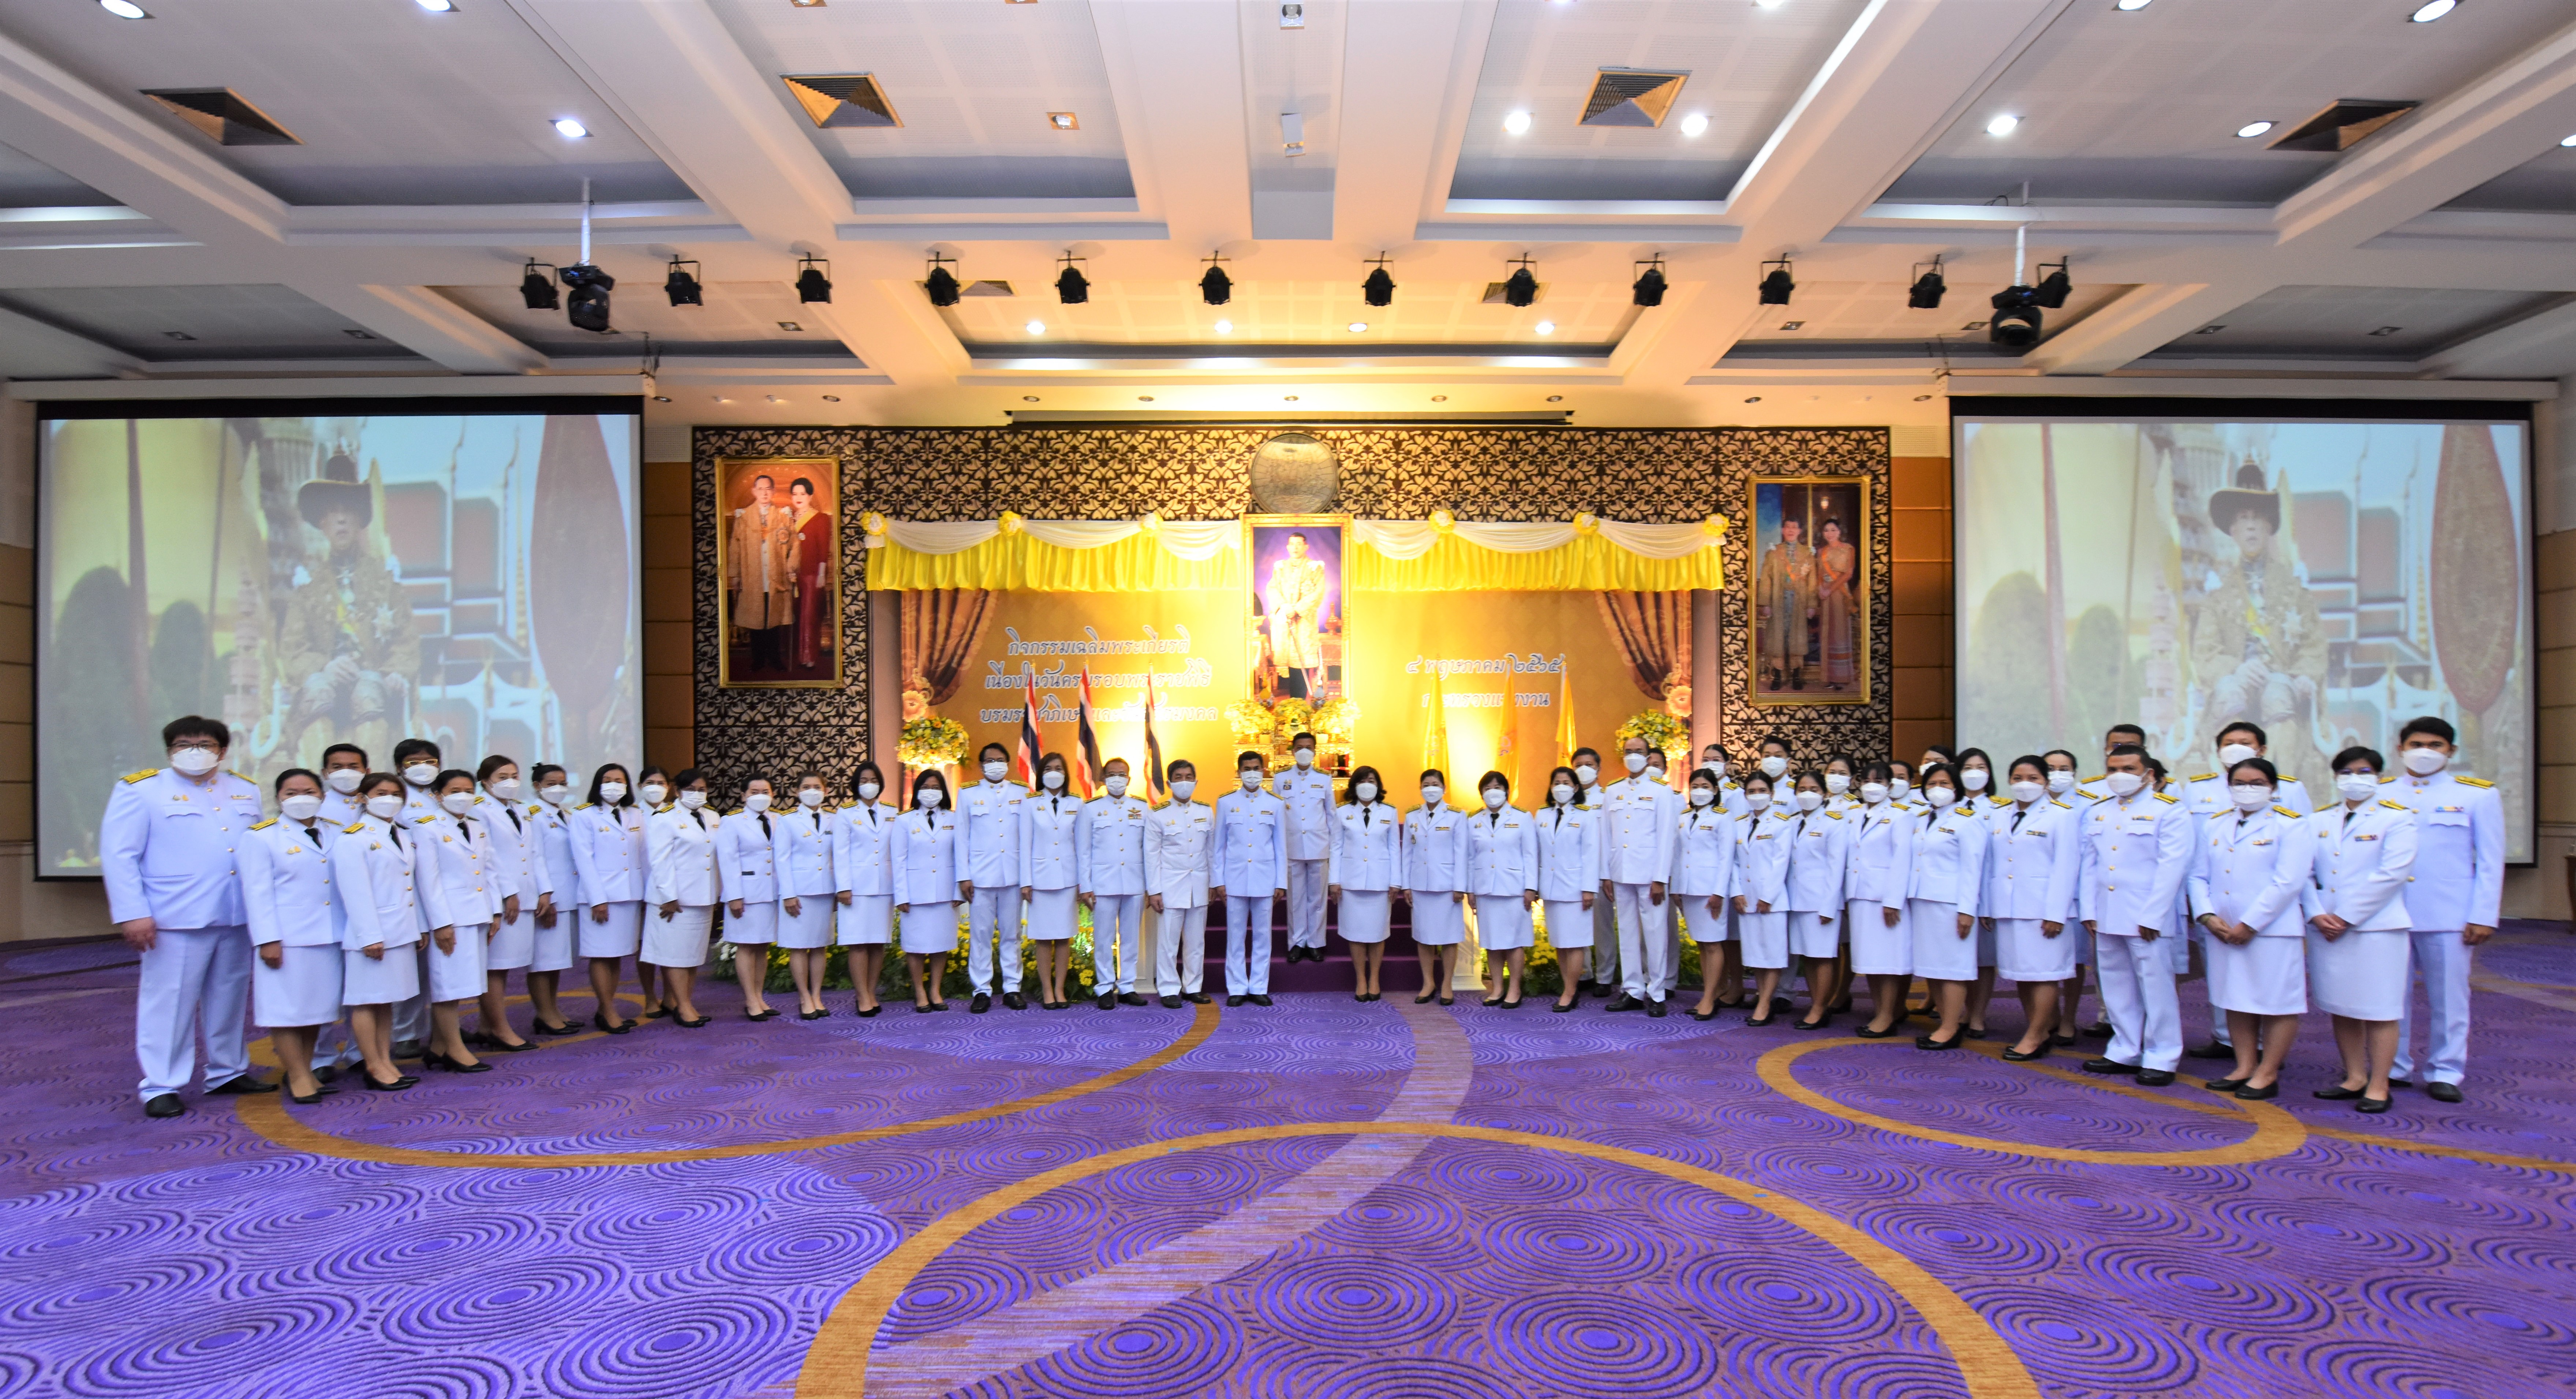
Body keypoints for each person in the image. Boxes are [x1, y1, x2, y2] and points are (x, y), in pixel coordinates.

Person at [104, 716, 273, 1117]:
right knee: (169, 1002)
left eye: (205, 744)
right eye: (184, 745)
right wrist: (133, 913)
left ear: (222, 750)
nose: (194, 752)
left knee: (230, 997)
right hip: (174, 916)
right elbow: (120, 855)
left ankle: (227, 1071)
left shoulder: (245, 789)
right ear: (169, 750)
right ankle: (161, 1084)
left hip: (235, 912)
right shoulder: (141, 790)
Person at [2191, 462, 2330, 795]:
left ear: (2269, 528)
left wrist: (2303, 676)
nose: (2251, 526)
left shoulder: (2294, 590)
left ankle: (2278, 788)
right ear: (2233, 530)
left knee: (2277, 694)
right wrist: (2236, 669)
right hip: (2237, 679)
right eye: (2243, 519)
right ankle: (2234, 786)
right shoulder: (2218, 596)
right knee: (2229, 694)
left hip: (2282, 678)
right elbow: (2205, 654)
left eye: (2257, 518)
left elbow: (2314, 646)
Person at [2385, 716, 2503, 1103]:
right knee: (2389, 996)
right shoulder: (2381, 794)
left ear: (2451, 751)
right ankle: (2393, 1066)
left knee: (2450, 999)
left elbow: (2490, 861)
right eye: (2416, 744)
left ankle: (2445, 1070)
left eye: (2435, 745)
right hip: (2388, 913)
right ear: (2400, 749)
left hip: (2448, 915)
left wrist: (2482, 915)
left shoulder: (2477, 795)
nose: (2424, 752)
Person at [2176, 723, 2310, 1062]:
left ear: (2273, 787)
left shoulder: (2290, 821)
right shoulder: (2216, 821)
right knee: (2231, 996)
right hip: (2221, 925)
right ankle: (2241, 1062)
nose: (2247, 789)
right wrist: (2206, 915)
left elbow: (2290, 879)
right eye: (2239, 784)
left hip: (2270, 926)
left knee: (2276, 1000)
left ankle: (2267, 1068)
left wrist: (2250, 923)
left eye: (2257, 784)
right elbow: (2197, 873)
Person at [278, 452, 421, 759]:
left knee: (368, 690)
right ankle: (323, 784)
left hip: (373, 681)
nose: (341, 519)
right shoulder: (308, 589)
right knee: (317, 692)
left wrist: (396, 672)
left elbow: (407, 641)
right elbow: (293, 652)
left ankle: (366, 785)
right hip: (325, 683)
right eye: (333, 511)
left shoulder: (385, 581)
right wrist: (325, 666)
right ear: (323, 523)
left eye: (348, 511)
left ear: (359, 521)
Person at [2307, 747, 2418, 1114]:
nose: (2355, 779)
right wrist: (2316, 913)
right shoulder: (2318, 820)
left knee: (2380, 1008)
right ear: (2335, 777)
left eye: (2364, 771)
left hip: (2376, 928)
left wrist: (2346, 917)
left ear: (2379, 776)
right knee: (2342, 1005)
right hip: (2326, 927)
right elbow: (2303, 872)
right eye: (2346, 772)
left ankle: (2379, 1084)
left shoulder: (2396, 819)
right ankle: (2354, 1076)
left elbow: (2391, 874)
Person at [2075, 743, 2192, 1084]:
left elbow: (2172, 868)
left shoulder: (2169, 811)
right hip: (2107, 913)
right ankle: (2124, 1049)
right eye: (2113, 770)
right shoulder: (2099, 811)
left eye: (2128, 769)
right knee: (2115, 984)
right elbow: (2090, 864)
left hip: (2146, 917)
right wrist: (2089, 910)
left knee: (2156, 989)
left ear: (2148, 774)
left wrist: (2152, 916)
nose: (2119, 776)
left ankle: (2162, 1056)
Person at [332, 771, 448, 1092]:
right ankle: (372, 1065)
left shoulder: (402, 834)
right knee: (367, 1001)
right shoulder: (353, 838)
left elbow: (411, 885)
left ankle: (385, 1061)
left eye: (396, 795)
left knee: (387, 1002)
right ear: (362, 798)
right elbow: (355, 893)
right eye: (381, 794)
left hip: (401, 930)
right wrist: (370, 936)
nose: (390, 800)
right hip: (372, 935)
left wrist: (420, 926)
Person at [240, 768, 342, 1104]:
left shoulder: (337, 832)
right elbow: (257, 893)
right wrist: (267, 939)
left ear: (322, 795)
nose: (301, 799)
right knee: (285, 1011)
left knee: (316, 1010)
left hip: (330, 935)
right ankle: (297, 1076)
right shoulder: (262, 837)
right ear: (278, 798)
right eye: (291, 793)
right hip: (287, 938)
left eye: (309, 792)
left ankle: (306, 1070)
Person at [415, 768, 520, 1072]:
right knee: (448, 985)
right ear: (438, 796)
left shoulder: (475, 825)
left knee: (465, 982)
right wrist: (441, 924)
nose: (463, 797)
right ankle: (454, 1049)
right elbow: (428, 881)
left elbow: (489, 870)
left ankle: (438, 1046)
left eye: (468, 791)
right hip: (450, 917)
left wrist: (495, 911)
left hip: (477, 914)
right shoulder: (428, 828)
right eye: (454, 791)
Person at [1986, 756, 2081, 1062]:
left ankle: (2035, 1035)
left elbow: (2066, 867)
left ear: (2045, 782)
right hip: (2008, 908)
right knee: (2022, 974)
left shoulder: (2061, 815)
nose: (2024, 784)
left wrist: (2055, 914)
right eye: (2017, 778)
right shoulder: (1999, 815)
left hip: (2043, 911)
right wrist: (1988, 907)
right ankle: (2038, 1028)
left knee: (2044, 974)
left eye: (2033, 778)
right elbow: (1992, 864)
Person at [1906, 764, 1988, 1050]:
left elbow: (1972, 869)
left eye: (1944, 783)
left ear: (1956, 788)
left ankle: (1951, 1028)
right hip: (1923, 902)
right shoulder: (1921, 818)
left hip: (1950, 905)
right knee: (1931, 966)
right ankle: (1944, 1023)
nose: (1937, 789)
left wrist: (1967, 910)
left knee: (1952, 967)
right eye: (1931, 784)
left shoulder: (1967, 820)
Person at [470, 756, 547, 1054]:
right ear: (485, 781)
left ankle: (486, 1026)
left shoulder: (522, 809)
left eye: (514, 775)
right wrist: (508, 893)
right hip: (501, 897)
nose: (510, 782)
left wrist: (545, 891)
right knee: (496, 967)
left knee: (507, 965)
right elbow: (488, 856)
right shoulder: (478, 808)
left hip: (527, 895)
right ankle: (500, 1029)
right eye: (502, 777)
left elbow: (535, 852)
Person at [1599, 735, 1677, 1017]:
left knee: (1655, 934)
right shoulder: (1612, 790)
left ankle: (1657, 992)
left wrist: (1661, 878)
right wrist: (1606, 875)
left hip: (1650, 876)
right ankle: (1632, 990)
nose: (1633, 756)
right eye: (1628, 751)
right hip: (1621, 872)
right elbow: (1605, 835)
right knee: (1627, 933)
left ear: (1647, 756)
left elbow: (1667, 837)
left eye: (1638, 751)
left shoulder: (1661, 790)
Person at [568, 763, 646, 1034]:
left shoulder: (635, 814)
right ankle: (608, 1009)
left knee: (617, 955)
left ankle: (606, 1009)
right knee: (601, 956)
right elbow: (584, 859)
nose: (614, 785)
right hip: (601, 897)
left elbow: (642, 855)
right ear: (598, 785)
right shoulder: (584, 815)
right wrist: (597, 899)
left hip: (629, 895)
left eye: (620, 780)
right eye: (608, 780)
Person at [1212, 750, 1289, 1007]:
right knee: (1235, 937)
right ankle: (1236, 987)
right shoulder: (1226, 802)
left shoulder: (1275, 803)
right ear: (1239, 772)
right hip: (1234, 879)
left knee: (1262, 936)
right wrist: (1218, 881)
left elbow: (1280, 847)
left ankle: (1258, 987)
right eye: (1247, 769)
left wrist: (1281, 882)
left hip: (1265, 879)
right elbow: (1219, 846)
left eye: (1256, 768)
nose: (1252, 773)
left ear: (1264, 770)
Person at [644, 768, 719, 1028]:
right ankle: (684, 1007)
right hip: (674, 900)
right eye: (690, 790)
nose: (697, 794)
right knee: (675, 955)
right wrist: (669, 896)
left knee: (693, 955)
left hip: (703, 896)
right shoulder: (664, 818)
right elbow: (660, 860)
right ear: (677, 791)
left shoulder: (713, 816)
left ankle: (683, 1002)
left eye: (702, 790)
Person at [1845, 762, 1915, 1037]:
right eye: (1867, 781)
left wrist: (1893, 901)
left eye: (1879, 781)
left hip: (1884, 898)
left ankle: (1887, 1015)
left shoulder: (1901, 815)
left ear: (1890, 786)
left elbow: (1902, 860)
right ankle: (1882, 1012)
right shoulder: (1854, 814)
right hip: (1859, 896)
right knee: (1870, 960)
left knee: (1888, 961)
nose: (1872, 786)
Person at [1077, 757, 1153, 1010]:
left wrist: (1150, 886)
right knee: (1103, 938)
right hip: (1103, 884)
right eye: (1112, 775)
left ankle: (1128, 986)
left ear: (1129, 779)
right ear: (1103, 779)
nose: (1117, 779)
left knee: (1130, 938)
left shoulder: (1141, 807)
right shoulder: (1091, 808)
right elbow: (1084, 851)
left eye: (1122, 774)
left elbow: (1148, 850)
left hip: (1134, 882)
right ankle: (1105, 987)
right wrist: (1085, 886)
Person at [957, 742, 1027, 1013]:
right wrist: (964, 876)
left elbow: (1027, 837)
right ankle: (982, 991)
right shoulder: (967, 793)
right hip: (980, 878)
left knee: (1012, 935)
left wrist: (1027, 878)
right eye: (990, 761)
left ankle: (1012, 988)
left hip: (1013, 876)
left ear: (1008, 763)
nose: (995, 765)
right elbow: (961, 838)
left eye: (1000, 760)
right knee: (980, 936)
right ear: (981, 765)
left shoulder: (1022, 792)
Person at [1465, 771, 1540, 1008]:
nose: (1492, 792)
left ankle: (1514, 988)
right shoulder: (1473, 821)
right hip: (1485, 889)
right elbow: (1470, 858)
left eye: (1497, 787)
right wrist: (1470, 890)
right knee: (1492, 942)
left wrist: (1531, 888)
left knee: (1515, 941)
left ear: (1506, 791)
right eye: (1487, 788)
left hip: (1514, 890)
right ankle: (1497, 988)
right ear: (1481, 794)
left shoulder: (1523, 817)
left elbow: (1531, 855)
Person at [1328, 764, 1402, 1003]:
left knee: (1378, 933)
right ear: (1354, 786)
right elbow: (1336, 847)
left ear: (1378, 786)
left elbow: (1395, 849)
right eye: (1362, 781)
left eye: (1371, 781)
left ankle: (1375, 979)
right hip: (1351, 882)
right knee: (1356, 933)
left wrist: (1396, 882)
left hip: (1380, 883)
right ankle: (1361, 979)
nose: (1367, 785)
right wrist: (1334, 881)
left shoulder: (1389, 812)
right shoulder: (1342, 812)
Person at [1145, 760, 1215, 1006]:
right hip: (1170, 886)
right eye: (1178, 777)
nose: (1184, 782)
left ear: (1196, 781)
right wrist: (1154, 891)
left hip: (1199, 885)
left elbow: (1211, 851)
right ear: (1169, 782)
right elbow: (1151, 855)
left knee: (1196, 942)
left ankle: (1193, 986)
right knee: (1168, 942)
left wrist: (1213, 884)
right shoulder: (1157, 813)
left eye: (1188, 777)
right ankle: (1168, 989)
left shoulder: (1206, 811)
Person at [1673, 766, 1738, 1022]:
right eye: (1696, 787)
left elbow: (1726, 858)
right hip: (1689, 889)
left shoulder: (1723, 817)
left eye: (1705, 787)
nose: (1700, 791)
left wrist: (1719, 893)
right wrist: (1676, 889)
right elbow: (1678, 854)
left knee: (1712, 944)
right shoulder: (1684, 816)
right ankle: (1714, 990)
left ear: (1715, 790)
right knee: (1702, 944)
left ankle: (1709, 998)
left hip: (1710, 890)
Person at [891, 769, 960, 1012]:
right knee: (916, 945)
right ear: (917, 790)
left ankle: (935, 991)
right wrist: (901, 895)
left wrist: (958, 891)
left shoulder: (953, 819)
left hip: (945, 892)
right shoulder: (904, 820)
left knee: (941, 943)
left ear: (944, 791)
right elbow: (898, 860)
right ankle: (920, 991)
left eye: (936, 787)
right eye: (926, 787)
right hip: (915, 894)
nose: (931, 792)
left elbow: (960, 856)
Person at [774, 772, 840, 1019]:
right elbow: (782, 859)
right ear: (797, 791)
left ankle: (817, 995)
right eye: (806, 787)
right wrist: (788, 894)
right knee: (799, 947)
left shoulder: (834, 819)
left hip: (825, 891)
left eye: (817, 787)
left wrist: (838, 890)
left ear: (825, 790)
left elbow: (838, 857)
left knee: (821, 945)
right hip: (799, 893)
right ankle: (804, 997)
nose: (812, 791)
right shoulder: (788, 820)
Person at [1020, 753, 1084, 1010]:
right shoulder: (1030, 803)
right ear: (1041, 774)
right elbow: (1025, 844)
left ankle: (1060, 989)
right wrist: (1026, 882)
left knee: (1064, 937)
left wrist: (1083, 883)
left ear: (1066, 773)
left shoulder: (1077, 803)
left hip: (1068, 879)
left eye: (1059, 768)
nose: (1054, 772)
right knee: (1044, 938)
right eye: (1048, 768)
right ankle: (1047, 990)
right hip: (1040, 880)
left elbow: (1082, 847)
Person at [524, 764, 583, 1035]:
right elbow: (534, 858)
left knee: (557, 960)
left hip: (569, 895)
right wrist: (546, 895)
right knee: (543, 961)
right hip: (549, 898)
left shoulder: (568, 814)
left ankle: (553, 1009)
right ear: (537, 786)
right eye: (551, 784)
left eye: (562, 783)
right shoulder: (532, 815)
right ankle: (544, 1013)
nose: (558, 788)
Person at [1532, 765, 1596, 1012]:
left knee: (1575, 942)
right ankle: (1567, 987)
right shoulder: (1542, 814)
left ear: (1576, 788)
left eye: (1567, 783)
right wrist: (1535, 886)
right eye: (1557, 783)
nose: (1561, 787)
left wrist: (1588, 889)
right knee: (1560, 941)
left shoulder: (1585, 815)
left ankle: (1571, 991)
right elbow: (1537, 853)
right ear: (1551, 787)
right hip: (1550, 887)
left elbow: (1591, 854)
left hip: (1576, 889)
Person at [834, 762, 897, 1017]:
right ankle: (862, 996)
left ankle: (871, 992)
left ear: (880, 784)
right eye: (863, 780)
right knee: (858, 944)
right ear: (856, 785)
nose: (869, 785)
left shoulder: (892, 812)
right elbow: (840, 853)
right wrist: (844, 887)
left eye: (873, 780)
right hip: (856, 888)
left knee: (877, 943)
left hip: (884, 886)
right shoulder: (846, 813)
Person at [719, 777, 784, 1021]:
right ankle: (750, 1000)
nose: (760, 796)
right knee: (746, 946)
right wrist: (734, 896)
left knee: (762, 946)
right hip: (745, 894)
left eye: (765, 791)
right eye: (754, 792)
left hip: (771, 892)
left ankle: (759, 997)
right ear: (744, 796)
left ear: (773, 794)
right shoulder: (732, 821)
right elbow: (728, 860)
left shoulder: (778, 819)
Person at [1402, 767, 1466, 1006]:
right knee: (1424, 937)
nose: (1431, 789)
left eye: (1435, 785)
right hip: (1420, 885)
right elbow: (1407, 853)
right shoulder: (1412, 816)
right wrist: (1406, 885)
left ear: (1444, 788)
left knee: (1449, 938)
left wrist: (1460, 886)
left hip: (1447, 887)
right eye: (1426, 785)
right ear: (1420, 789)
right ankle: (1428, 983)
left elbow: (1462, 853)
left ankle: (1447, 984)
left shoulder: (1457, 815)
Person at [1731, 773, 1792, 1023]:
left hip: (1772, 900)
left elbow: (1781, 863)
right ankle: (1761, 996)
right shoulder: (1739, 823)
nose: (1757, 796)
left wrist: (1768, 897)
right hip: (1746, 899)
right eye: (1752, 791)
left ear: (1772, 794)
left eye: (1762, 791)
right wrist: (1736, 892)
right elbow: (1734, 862)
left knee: (1773, 953)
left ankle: (1765, 1003)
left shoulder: (1781, 823)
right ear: (1745, 796)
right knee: (1755, 954)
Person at [1274, 731, 1336, 964]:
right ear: (1292, 751)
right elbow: (1277, 814)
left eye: (1309, 747)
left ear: (1315, 751)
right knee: (1296, 899)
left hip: (1319, 846)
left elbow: (1331, 815)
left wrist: (1333, 846)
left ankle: (1316, 943)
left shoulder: (1324, 779)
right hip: (1291, 847)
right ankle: (1297, 943)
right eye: (1300, 747)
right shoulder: (1281, 778)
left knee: (1318, 899)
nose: (1304, 751)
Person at [727, 472, 797, 674]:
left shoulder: (783, 516)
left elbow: (794, 544)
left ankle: (775, 658)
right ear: (754, 492)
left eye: (768, 489)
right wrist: (736, 575)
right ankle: (758, 659)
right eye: (761, 489)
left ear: (773, 491)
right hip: (753, 576)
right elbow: (735, 547)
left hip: (776, 576)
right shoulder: (744, 518)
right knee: (756, 619)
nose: (765, 493)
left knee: (774, 619)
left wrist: (791, 568)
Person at [1570, 745, 1620, 995]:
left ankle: (1604, 977)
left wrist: (1607, 873)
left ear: (1599, 769)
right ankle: (1584, 973)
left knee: (1602, 927)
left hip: (1601, 873)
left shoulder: (1607, 798)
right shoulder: (1567, 801)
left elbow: (1612, 838)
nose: (1584, 770)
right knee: (1577, 925)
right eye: (1578, 765)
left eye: (1589, 765)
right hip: (1574, 874)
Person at [631, 766, 674, 1016]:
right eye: (649, 783)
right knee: (644, 946)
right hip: (641, 887)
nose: (655, 787)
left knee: (670, 944)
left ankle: (670, 996)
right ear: (640, 786)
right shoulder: (631, 814)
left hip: (670, 891)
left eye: (661, 783)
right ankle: (649, 996)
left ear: (668, 787)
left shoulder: (677, 813)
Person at [1757, 514, 1818, 691]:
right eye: (1788, 527)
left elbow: (1813, 581)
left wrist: (1812, 605)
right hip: (1778, 600)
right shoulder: (1774, 553)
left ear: (1799, 531)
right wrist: (1765, 603)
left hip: (1799, 601)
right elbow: (1766, 579)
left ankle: (1797, 675)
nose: (1791, 530)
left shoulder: (1807, 554)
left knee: (1798, 638)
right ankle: (1777, 676)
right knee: (1778, 638)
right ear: (1783, 530)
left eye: (1794, 527)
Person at [1266, 531, 1330, 699]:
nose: (1295, 548)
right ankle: (1291, 705)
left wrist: (1297, 609)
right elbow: (1272, 589)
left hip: (1304, 622)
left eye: (1299, 544)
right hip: (1285, 620)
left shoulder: (1315, 567)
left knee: (1302, 663)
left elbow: (1318, 593)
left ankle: (1301, 703)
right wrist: (1284, 606)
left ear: (1306, 547)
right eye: (1292, 544)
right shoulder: (1280, 568)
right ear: (1288, 547)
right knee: (1288, 662)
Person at [785, 476, 834, 675]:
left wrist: (822, 573)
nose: (799, 497)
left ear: (810, 496)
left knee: (809, 617)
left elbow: (823, 548)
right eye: (795, 494)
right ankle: (797, 656)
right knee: (795, 616)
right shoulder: (788, 519)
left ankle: (810, 658)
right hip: (792, 575)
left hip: (812, 575)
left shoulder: (820, 518)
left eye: (803, 494)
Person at [1815, 516, 1858, 691]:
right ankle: (1829, 677)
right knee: (1827, 633)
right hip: (1826, 595)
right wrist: (1820, 589)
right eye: (1827, 531)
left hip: (1840, 594)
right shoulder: (1821, 552)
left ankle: (1842, 678)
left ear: (1840, 532)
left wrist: (1830, 589)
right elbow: (1819, 574)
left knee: (1840, 633)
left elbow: (1848, 574)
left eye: (1833, 530)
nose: (1830, 534)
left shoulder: (1848, 549)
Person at [316, 742, 370, 827]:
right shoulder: (316, 807)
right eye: (337, 767)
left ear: (367, 772)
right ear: (325, 773)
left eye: (354, 767)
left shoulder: (376, 803)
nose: (346, 773)